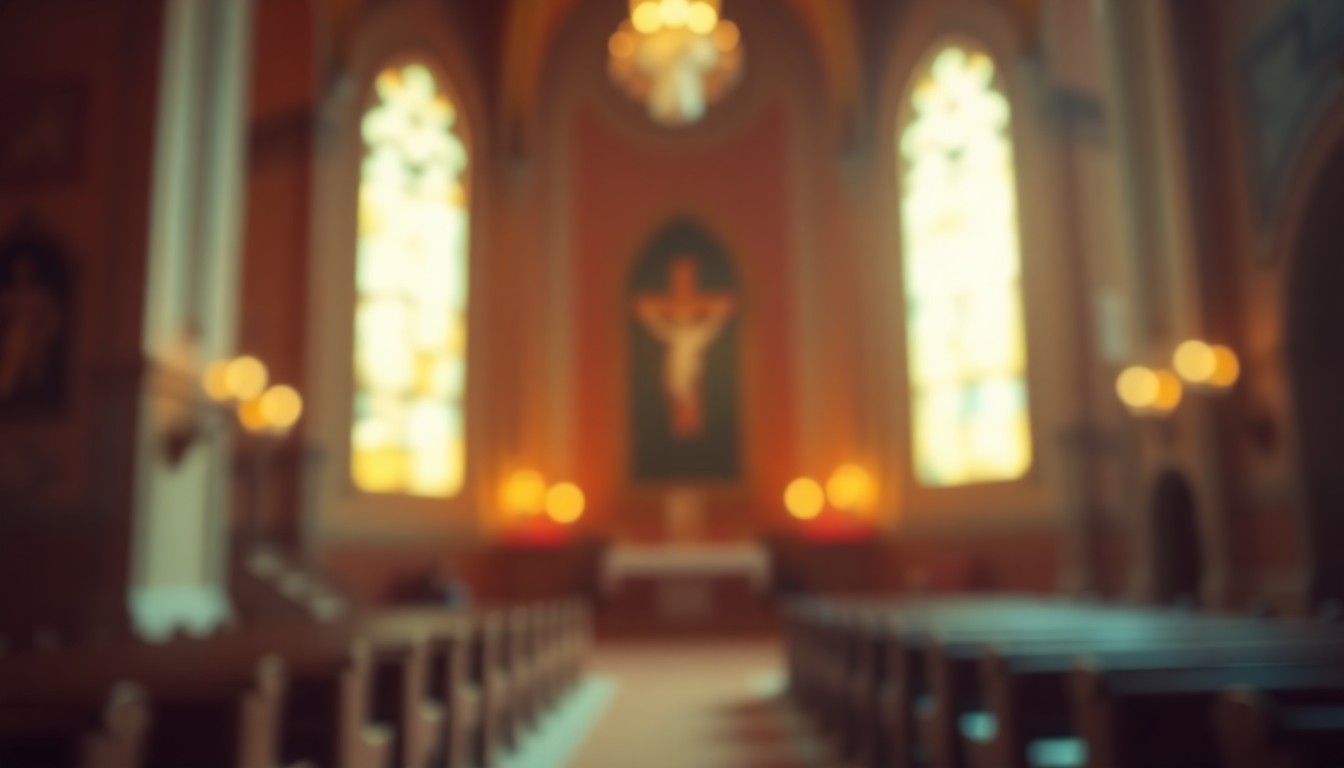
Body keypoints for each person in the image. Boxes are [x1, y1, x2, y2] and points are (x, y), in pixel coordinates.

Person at [0, 253, 62, 400]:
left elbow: (54, 319)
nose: (22, 276)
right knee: (15, 346)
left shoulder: (42, 296)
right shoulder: (9, 296)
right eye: (19, 273)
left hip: (37, 339)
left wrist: (42, 334)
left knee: (33, 365)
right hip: (13, 337)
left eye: (26, 273)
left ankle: (31, 391)